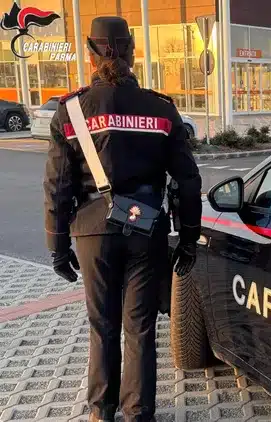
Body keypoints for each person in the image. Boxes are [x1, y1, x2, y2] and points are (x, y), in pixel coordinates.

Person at [43, 16, 202, 422]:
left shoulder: (71, 111)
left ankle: (101, 411)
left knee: (102, 326)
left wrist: (57, 246)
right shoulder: (161, 108)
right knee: (140, 328)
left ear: (90, 54)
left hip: (92, 233)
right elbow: (188, 179)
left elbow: (58, 187)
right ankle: (138, 413)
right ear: (132, 52)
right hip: (145, 230)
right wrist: (188, 238)